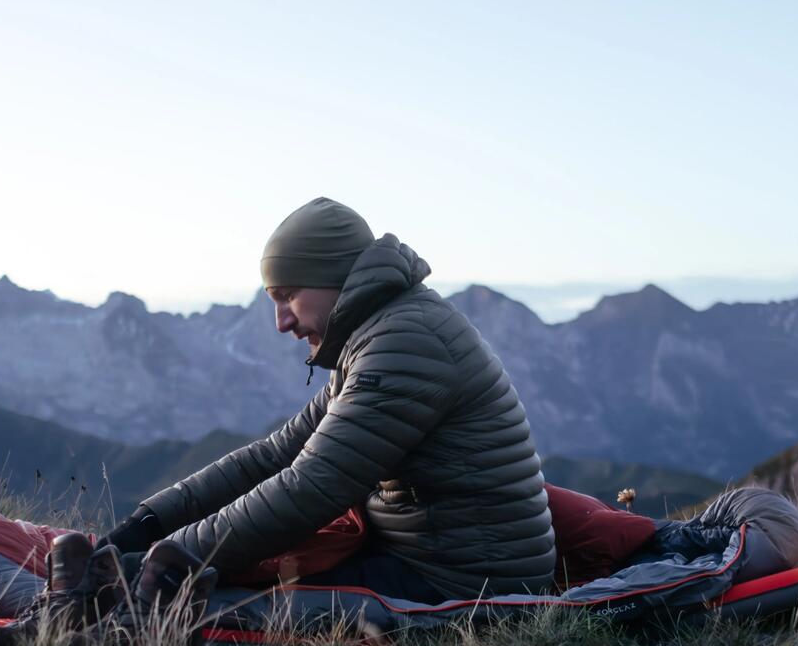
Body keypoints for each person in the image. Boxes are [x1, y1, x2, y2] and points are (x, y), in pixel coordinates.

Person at [102, 197, 555, 604]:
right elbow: (277, 454)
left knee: (226, 607)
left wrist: (166, 562)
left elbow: (313, 486)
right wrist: (147, 525)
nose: (281, 322)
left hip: (468, 583)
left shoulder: (407, 342)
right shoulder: (379, 334)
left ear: (333, 278)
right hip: (428, 558)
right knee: (239, 584)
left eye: (288, 296)